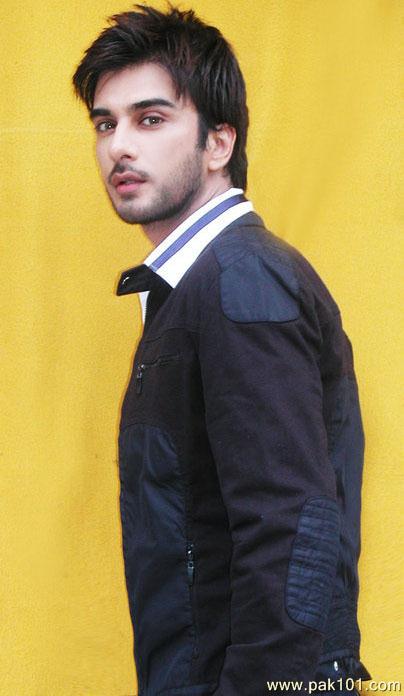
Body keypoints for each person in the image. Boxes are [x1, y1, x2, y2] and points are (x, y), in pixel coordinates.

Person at [72, 5, 371, 695]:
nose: (119, 147)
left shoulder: (240, 280)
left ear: (218, 143)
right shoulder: (197, 285)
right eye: (105, 124)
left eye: (150, 119)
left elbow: (289, 529)